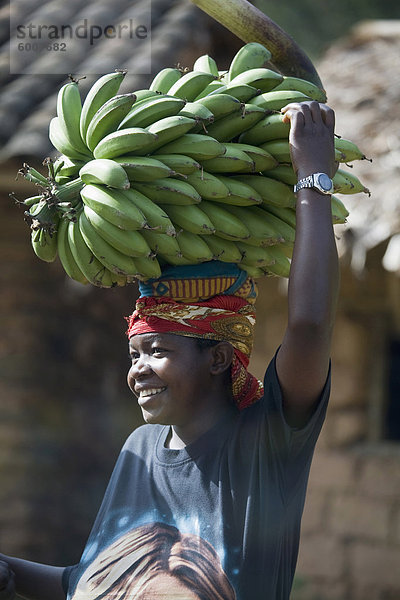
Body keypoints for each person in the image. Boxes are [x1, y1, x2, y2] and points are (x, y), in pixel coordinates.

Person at [0, 100, 339, 600]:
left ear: (218, 358)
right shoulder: (139, 449)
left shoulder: (265, 442)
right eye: (134, 354)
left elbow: (309, 326)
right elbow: (93, 583)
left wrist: (312, 174)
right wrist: (10, 571)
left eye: (155, 350)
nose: (137, 372)